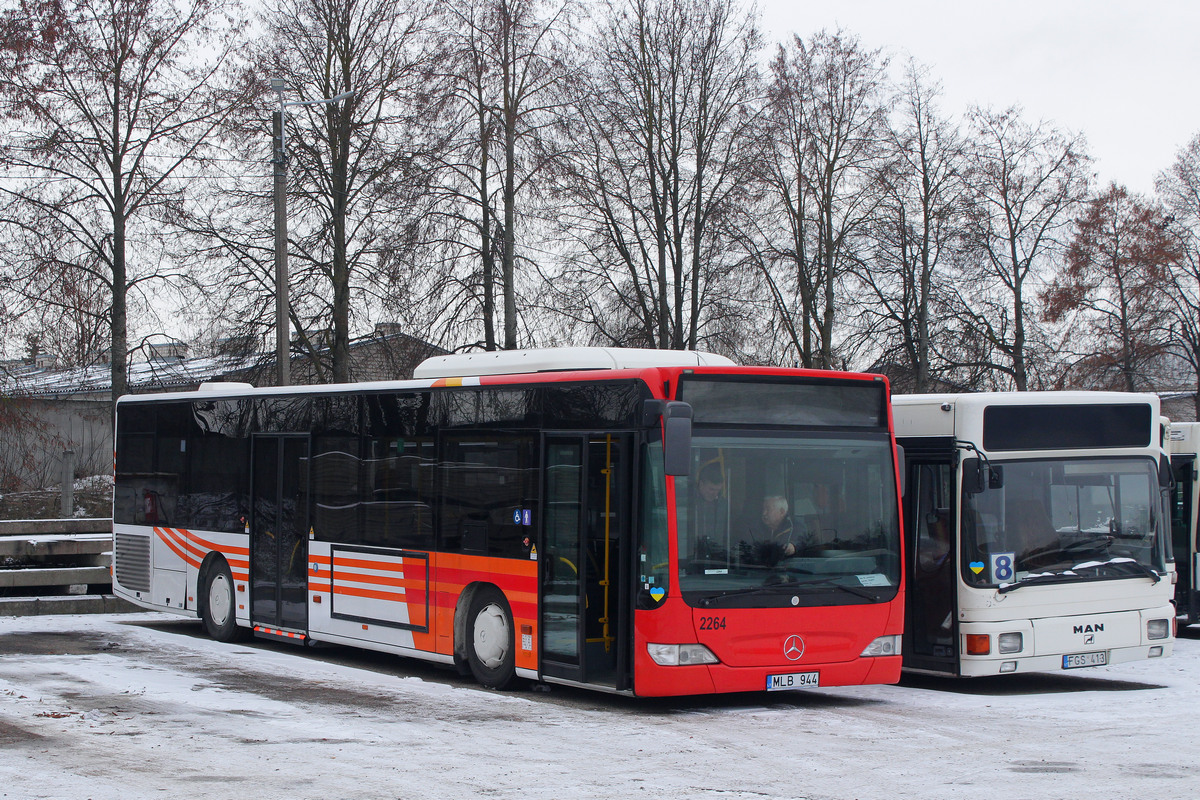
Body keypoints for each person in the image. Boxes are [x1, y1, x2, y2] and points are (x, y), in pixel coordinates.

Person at [741, 495, 803, 566]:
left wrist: (793, 546)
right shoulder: (754, 527)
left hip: (788, 571)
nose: (764, 513)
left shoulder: (795, 526)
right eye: (763, 509)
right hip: (758, 570)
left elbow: (802, 541)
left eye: (768, 509)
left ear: (782, 512)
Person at [690, 462, 728, 561]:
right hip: (691, 553)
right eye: (711, 489)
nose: (715, 494)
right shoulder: (689, 502)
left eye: (718, 490)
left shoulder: (722, 504)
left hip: (717, 554)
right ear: (701, 484)